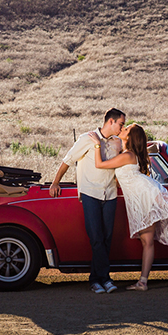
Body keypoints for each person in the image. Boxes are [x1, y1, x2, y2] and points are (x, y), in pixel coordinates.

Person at [87, 123, 168, 291]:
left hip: (146, 195)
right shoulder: (126, 154)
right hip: (139, 198)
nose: (122, 130)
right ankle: (142, 282)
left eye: (125, 129)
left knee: (151, 237)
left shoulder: (127, 155)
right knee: (146, 241)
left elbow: (99, 164)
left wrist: (97, 143)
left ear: (129, 137)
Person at [49, 108, 126, 294]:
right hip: (91, 193)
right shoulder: (87, 138)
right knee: (96, 238)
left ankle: (96, 280)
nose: (122, 128)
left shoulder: (118, 142)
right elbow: (68, 160)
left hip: (110, 194)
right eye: (121, 124)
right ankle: (104, 279)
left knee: (106, 238)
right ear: (110, 122)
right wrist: (55, 182)